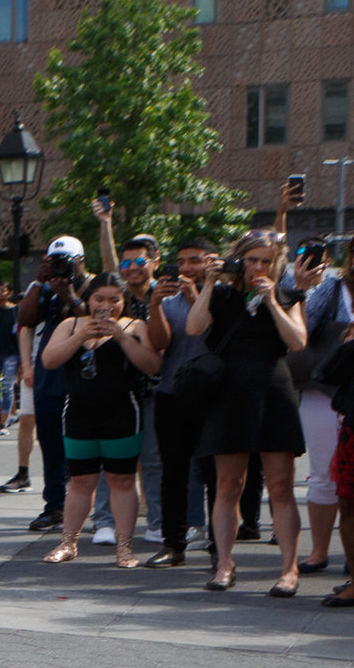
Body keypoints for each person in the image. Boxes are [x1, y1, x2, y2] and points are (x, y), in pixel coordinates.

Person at [186, 233, 307, 593]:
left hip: (274, 390)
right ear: (238, 260)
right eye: (252, 260)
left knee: (281, 486)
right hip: (230, 394)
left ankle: (289, 570)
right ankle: (224, 564)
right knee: (227, 485)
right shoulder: (222, 297)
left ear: (277, 264)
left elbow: (298, 342)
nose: (258, 267)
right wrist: (207, 283)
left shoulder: (288, 297)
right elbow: (193, 327)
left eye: (266, 261)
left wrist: (271, 301)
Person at [38, 273, 161, 568]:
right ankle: (68, 542)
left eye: (114, 300)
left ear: (124, 301)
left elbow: (153, 365)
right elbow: (49, 361)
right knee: (80, 481)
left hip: (121, 413)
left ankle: (124, 547)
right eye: (99, 299)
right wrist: (81, 336)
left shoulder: (135, 326)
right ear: (89, 300)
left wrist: (119, 336)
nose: (106, 305)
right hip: (79, 413)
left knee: (121, 479)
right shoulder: (71, 325)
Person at [146, 240, 220, 568]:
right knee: (172, 473)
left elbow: (215, 338)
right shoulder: (168, 301)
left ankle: (220, 546)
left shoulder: (224, 298)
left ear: (211, 263)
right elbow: (160, 344)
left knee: (216, 474)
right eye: (181, 261)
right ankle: (173, 544)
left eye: (195, 261)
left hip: (213, 395)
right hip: (172, 393)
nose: (186, 268)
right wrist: (154, 305)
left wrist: (196, 300)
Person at [16, 238, 90, 536]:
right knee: (49, 442)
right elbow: (25, 319)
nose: (60, 267)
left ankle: (87, 507)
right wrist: (38, 282)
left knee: (83, 444)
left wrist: (71, 297)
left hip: (82, 373)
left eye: (65, 260)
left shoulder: (93, 285)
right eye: (54, 260)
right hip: (50, 374)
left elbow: (94, 321)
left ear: (81, 260)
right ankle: (54, 505)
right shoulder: (45, 289)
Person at [292, 242, 348, 577]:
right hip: (324, 391)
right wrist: (302, 289)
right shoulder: (332, 286)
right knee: (324, 474)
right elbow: (302, 333)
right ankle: (319, 551)